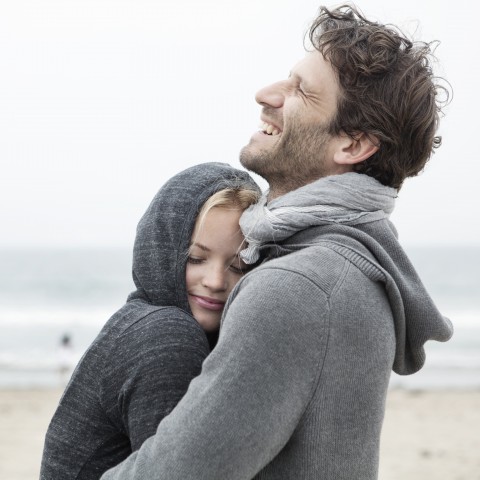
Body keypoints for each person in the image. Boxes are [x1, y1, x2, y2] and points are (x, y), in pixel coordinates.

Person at [100, 5, 454, 480]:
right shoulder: (354, 263)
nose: (266, 95)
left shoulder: (298, 287)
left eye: (300, 91)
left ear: (352, 145)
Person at [40, 163, 260, 479]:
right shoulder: (165, 335)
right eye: (195, 259)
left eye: (238, 265)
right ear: (161, 250)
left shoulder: (138, 318)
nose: (214, 280)